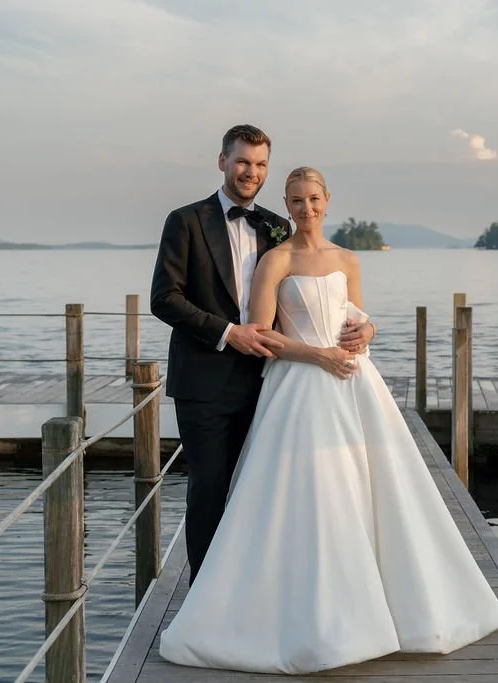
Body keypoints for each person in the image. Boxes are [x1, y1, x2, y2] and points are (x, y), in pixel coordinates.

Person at [158, 167, 498, 674]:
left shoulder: (347, 258)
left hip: (354, 384)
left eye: (314, 199)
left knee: (372, 489)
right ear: (287, 204)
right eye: (297, 200)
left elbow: (356, 316)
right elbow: (261, 334)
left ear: (327, 200)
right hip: (299, 385)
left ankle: (388, 612)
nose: (306, 208)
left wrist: (369, 329)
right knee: (314, 494)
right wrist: (318, 355)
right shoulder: (275, 259)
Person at [149, 125, 374, 583]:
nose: (250, 172)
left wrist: (366, 327)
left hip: (270, 380)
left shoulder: (277, 226)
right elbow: (164, 298)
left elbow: (311, 303)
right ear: (223, 162)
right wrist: (228, 333)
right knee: (209, 489)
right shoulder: (186, 221)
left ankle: (258, 587)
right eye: (242, 162)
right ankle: (206, 594)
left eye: (259, 164)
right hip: (204, 382)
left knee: (260, 491)